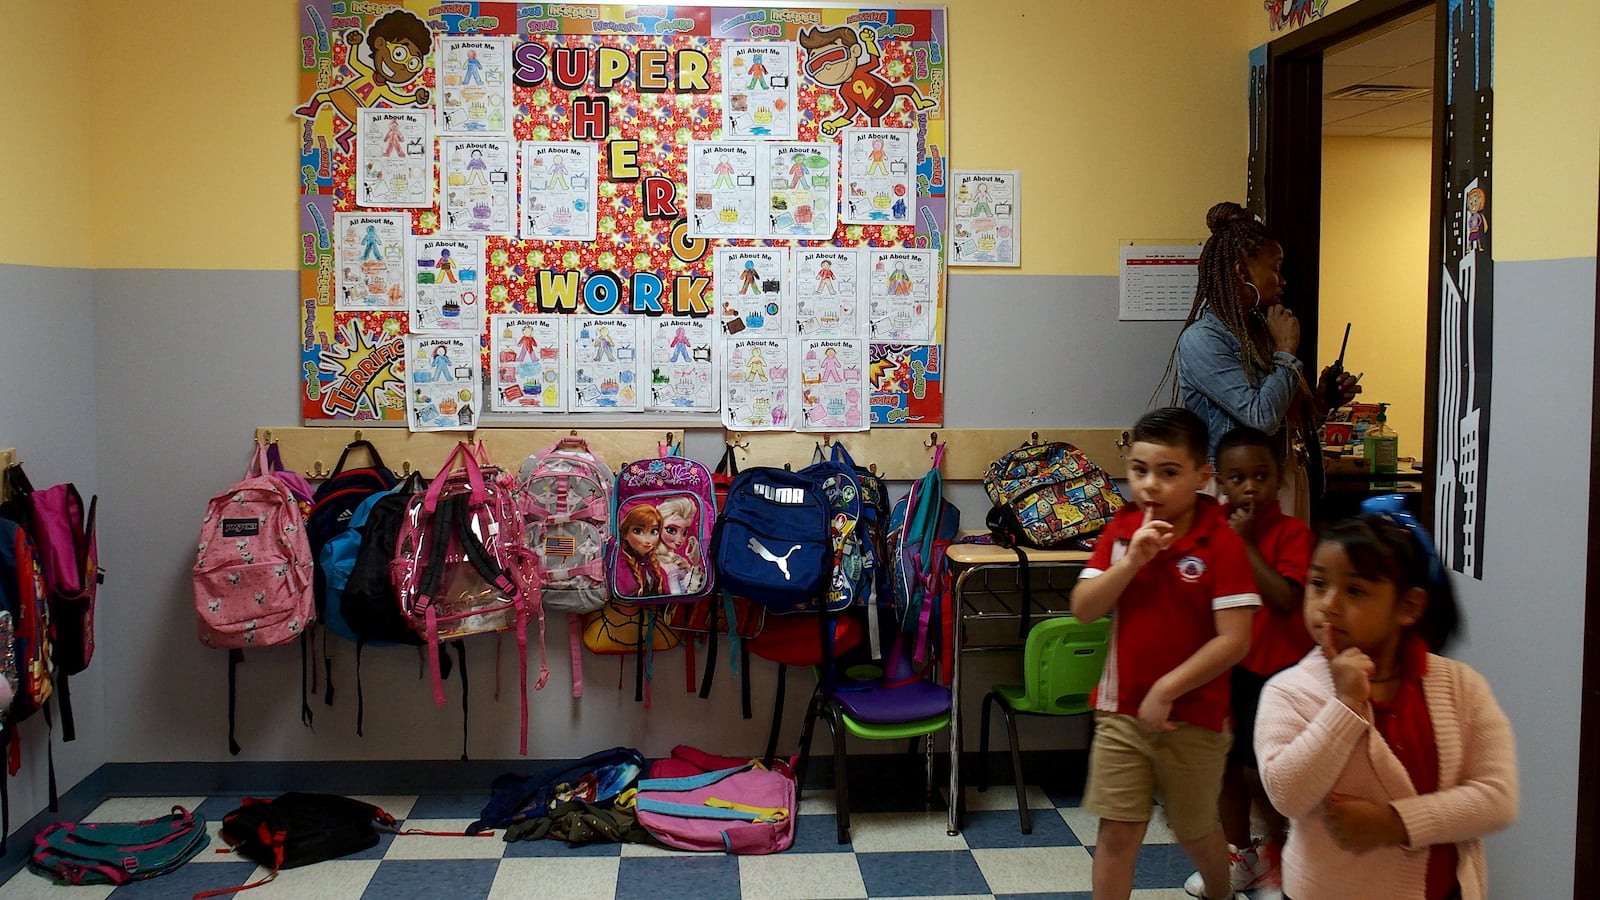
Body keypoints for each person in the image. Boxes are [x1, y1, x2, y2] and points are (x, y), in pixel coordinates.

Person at [1254, 505, 1518, 900]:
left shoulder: (1461, 687)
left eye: (1355, 590)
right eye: (1318, 583)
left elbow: (1498, 798)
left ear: (1408, 607)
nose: (1329, 603)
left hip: (1445, 889)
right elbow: (1287, 795)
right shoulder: (1289, 691)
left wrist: (1393, 823)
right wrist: (1343, 706)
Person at [1069, 407, 1260, 900]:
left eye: (1168, 473)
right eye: (1139, 470)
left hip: (1195, 719)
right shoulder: (1122, 529)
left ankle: (1222, 892)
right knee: (1118, 831)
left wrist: (1168, 689)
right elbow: (1085, 609)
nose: (1150, 485)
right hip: (1120, 712)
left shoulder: (1221, 542)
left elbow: (1234, 640)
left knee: (1194, 828)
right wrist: (1131, 560)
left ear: (1202, 477)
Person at [1184, 427, 1314, 898]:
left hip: (1277, 675)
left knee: (1262, 773)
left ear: (1279, 478)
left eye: (1261, 476)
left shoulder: (1293, 534)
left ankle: (1282, 859)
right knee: (1223, 767)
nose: (1250, 488)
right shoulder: (1210, 527)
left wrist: (1243, 545)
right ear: (1219, 481)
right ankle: (1240, 855)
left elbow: (1284, 599)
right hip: (1225, 668)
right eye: (1238, 478)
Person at [1167, 202, 1359, 513]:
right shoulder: (1202, 339)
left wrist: (1323, 402)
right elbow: (1260, 418)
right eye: (1276, 268)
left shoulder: (1262, 330)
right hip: (1234, 492)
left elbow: (1285, 422)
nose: (1282, 281)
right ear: (1242, 272)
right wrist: (1284, 352)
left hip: (1281, 479)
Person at [614, 505, 667, 598]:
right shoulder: (621, 563)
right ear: (625, 534)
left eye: (654, 531)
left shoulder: (656, 561)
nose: (647, 540)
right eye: (638, 531)